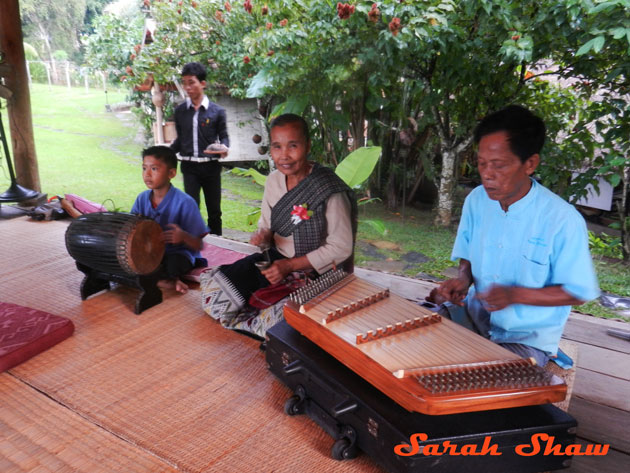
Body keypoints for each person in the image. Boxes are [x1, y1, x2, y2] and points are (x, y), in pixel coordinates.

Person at [431, 105, 599, 367]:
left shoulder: (562, 219)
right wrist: (463, 279)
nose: (487, 174)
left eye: (499, 165)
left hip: (526, 338)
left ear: (530, 164)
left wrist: (516, 295)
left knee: (479, 385)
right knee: (409, 336)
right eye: (482, 164)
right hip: (474, 317)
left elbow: (578, 291)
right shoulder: (477, 200)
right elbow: (468, 254)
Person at [200, 114, 357, 338]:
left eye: (293, 146)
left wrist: (290, 266)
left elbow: (341, 247)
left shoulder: (329, 189)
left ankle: (258, 321)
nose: (284, 155)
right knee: (213, 292)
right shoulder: (274, 180)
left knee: (282, 322)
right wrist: (263, 237)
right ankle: (255, 321)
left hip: (316, 273)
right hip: (276, 261)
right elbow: (268, 227)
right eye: (277, 147)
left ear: (307, 146)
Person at [132, 146, 208, 294]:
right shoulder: (142, 199)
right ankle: (165, 281)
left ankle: (163, 279)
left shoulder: (185, 202)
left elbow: (199, 245)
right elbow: (132, 226)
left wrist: (183, 237)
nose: (147, 174)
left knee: (173, 264)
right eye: (144, 168)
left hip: (177, 254)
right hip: (149, 253)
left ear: (171, 173)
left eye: (154, 169)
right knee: (126, 260)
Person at [170, 62, 229, 235]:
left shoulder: (217, 112)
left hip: (211, 167)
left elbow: (224, 136)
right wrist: (165, 154)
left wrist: (224, 147)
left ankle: (219, 246)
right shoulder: (180, 111)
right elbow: (180, 140)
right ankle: (194, 248)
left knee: (214, 212)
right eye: (184, 82)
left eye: (191, 82)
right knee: (191, 210)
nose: (187, 87)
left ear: (202, 83)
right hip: (189, 168)